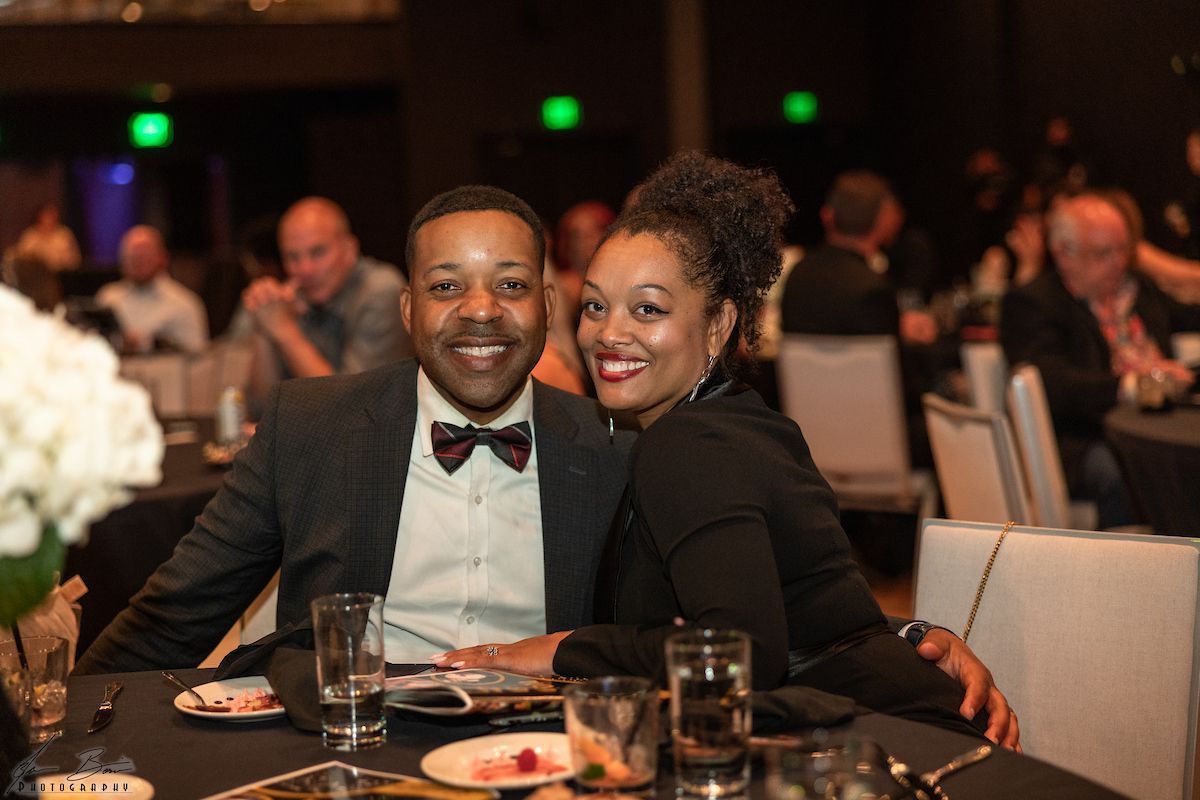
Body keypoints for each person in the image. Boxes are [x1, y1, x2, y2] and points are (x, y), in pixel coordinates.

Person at [75, 184, 1016, 748]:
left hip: (560, 761)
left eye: (512, 285)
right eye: (447, 286)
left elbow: (747, 612)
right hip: (355, 751)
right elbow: (174, 612)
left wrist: (909, 638)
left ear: (551, 305)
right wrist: (52, 725)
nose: (480, 310)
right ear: (407, 311)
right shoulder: (313, 427)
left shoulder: (626, 446)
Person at [435, 154, 1019, 747]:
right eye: (594, 305)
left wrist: (565, 649)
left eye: (648, 309)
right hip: (893, 720)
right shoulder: (749, 421)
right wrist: (912, 636)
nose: (609, 332)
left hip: (878, 748)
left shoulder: (685, 445)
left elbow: (745, 656)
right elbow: (804, 601)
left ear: (718, 326)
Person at [1000, 193, 1200, 528]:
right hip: (1085, 437)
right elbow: (1053, 382)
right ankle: (1121, 572)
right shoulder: (1035, 302)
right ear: (1064, 254)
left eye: (1125, 250)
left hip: (1162, 426)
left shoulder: (1139, 289)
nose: (1119, 262)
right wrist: (1136, 384)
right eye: (1104, 253)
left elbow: (1191, 319)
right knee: (1123, 470)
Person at [779, 170, 941, 466]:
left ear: (828, 216)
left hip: (806, 442)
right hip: (873, 445)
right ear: (882, 223)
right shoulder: (872, 288)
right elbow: (901, 387)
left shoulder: (799, 277)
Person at [243, 196, 412, 415]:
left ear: (349, 249)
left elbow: (351, 405)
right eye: (292, 257)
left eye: (317, 252)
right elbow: (261, 409)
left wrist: (285, 332)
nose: (304, 269)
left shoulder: (381, 289)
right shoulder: (290, 296)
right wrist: (265, 326)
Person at [96, 225, 208, 354]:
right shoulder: (108, 298)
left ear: (163, 258)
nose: (136, 263)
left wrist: (152, 344)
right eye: (131, 257)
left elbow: (199, 362)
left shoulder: (185, 304)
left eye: (143, 257)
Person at [14, 202, 81, 272]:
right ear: (39, 217)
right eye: (46, 216)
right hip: (35, 275)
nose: (49, 220)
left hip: (61, 274)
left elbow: (75, 259)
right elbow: (21, 257)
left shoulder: (64, 234)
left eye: (52, 216)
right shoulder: (30, 235)